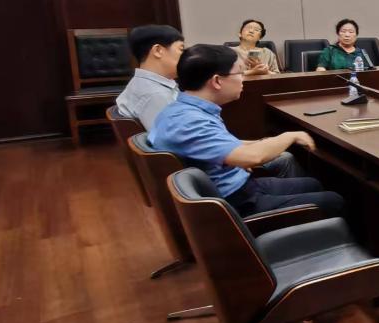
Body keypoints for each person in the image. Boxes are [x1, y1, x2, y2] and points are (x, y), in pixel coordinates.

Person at [149, 44, 344, 217]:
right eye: (240, 73)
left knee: (312, 184)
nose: (243, 79)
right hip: (235, 203)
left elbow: (226, 145)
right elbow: (251, 158)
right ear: (217, 81)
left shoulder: (186, 110)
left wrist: (263, 143)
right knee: (334, 200)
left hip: (237, 186)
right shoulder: (189, 122)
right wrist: (290, 136)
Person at [116, 25, 185, 130]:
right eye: (181, 50)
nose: (185, 56)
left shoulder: (143, 84)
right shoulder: (156, 95)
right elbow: (173, 137)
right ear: (157, 50)